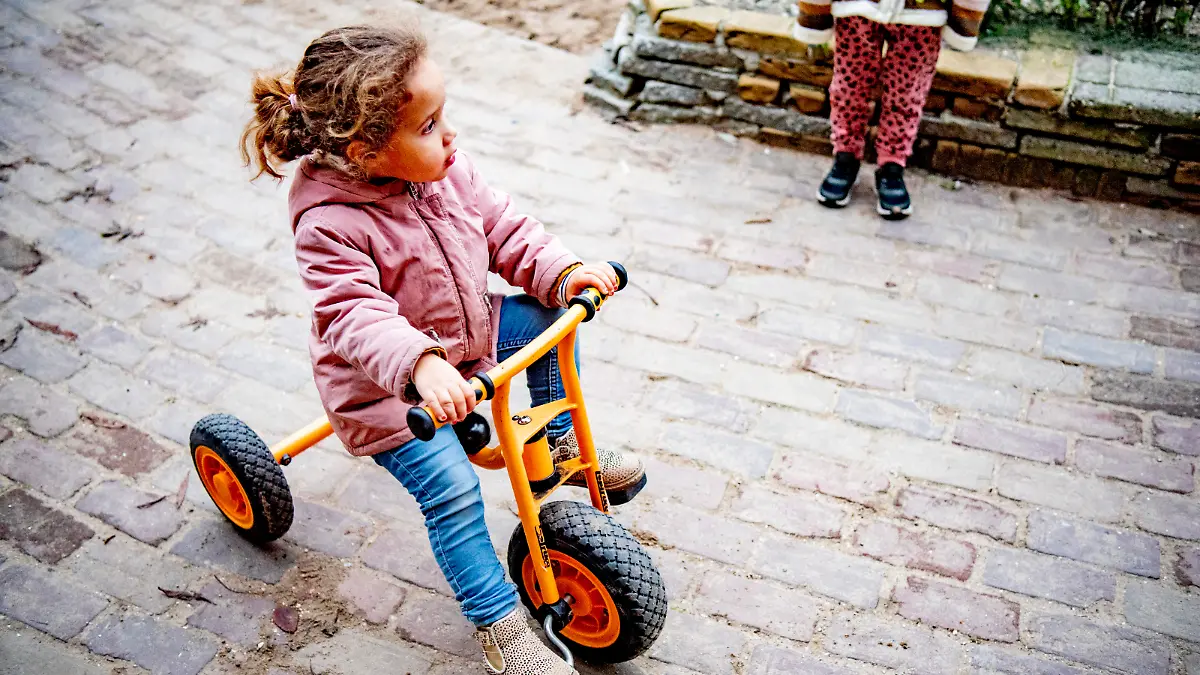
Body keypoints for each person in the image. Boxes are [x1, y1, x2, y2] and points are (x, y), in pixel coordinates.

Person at [240, 24, 646, 675]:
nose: (449, 136)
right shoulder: (327, 224)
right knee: (455, 490)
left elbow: (506, 228)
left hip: (470, 345)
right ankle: (499, 623)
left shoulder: (445, 171)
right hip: (389, 397)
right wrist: (420, 365)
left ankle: (559, 450)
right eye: (428, 126)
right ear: (365, 150)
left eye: (442, 116)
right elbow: (353, 313)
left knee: (549, 321)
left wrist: (563, 272)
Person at [793, 0, 991, 218]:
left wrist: (966, 15)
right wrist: (814, 11)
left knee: (906, 95)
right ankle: (845, 155)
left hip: (922, 13)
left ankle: (892, 165)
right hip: (858, 8)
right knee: (849, 87)